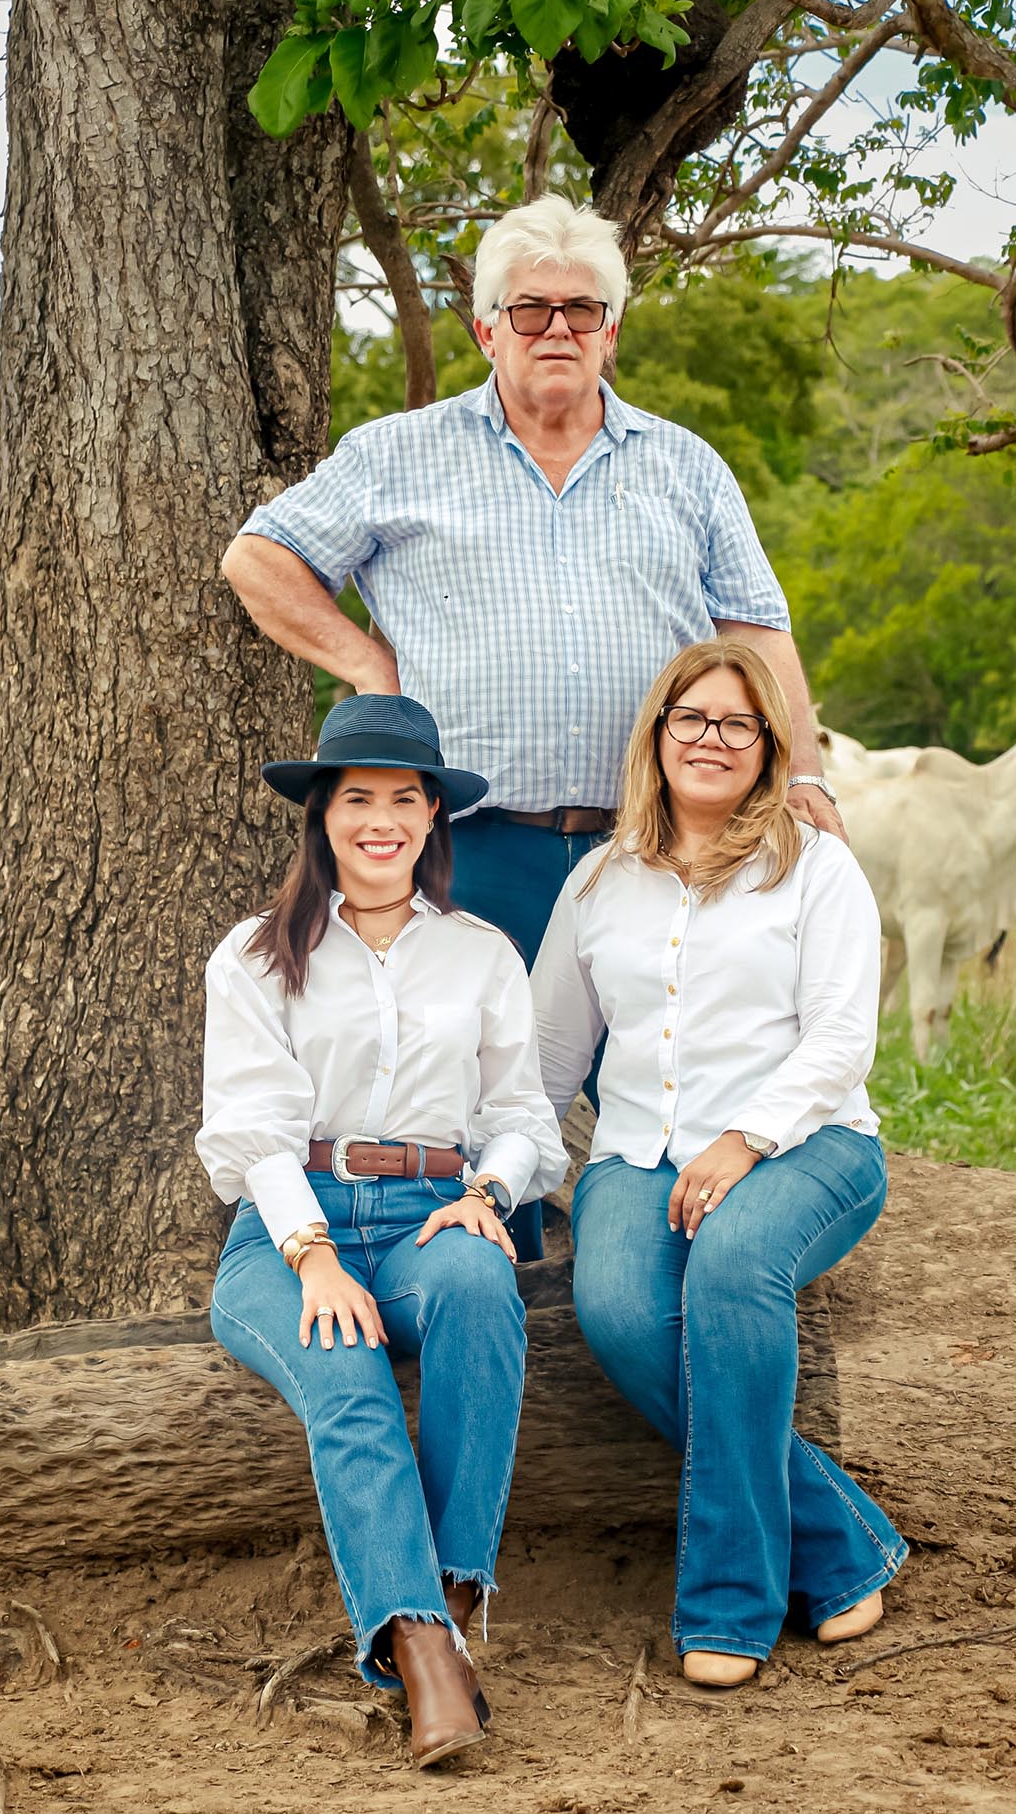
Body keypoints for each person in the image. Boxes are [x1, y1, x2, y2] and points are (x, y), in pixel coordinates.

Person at [221, 194, 841, 1259]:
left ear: (613, 330)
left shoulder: (686, 467)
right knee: (473, 1087)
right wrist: (372, 666)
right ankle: (471, 1287)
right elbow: (257, 558)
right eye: (530, 309)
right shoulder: (397, 454)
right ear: (484, 328)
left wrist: (804, 778)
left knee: (672, 1082)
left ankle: (704, 1274)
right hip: (475, 843)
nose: (557, 329)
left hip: (654, 847)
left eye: (580, 309)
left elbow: (757, 631)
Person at [196, 693, 568, 1766]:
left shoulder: (481, 954)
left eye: (405, 799)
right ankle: (423, 1650)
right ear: (320, 818)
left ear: (431, 819)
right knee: (346, 1368)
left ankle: (445, 1594)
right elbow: (250, 1129)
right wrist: (312, 1259)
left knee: (476, 1288)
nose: (381, 820)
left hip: (428, 1210)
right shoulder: (257, 957)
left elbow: (519, 1120)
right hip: (284, 1228)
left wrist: (490, 1195)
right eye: (357, 798)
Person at [530, 638, 907, 1686]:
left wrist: (747, 1138)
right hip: (638, 1156)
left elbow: (841, 1039)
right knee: (614, 1310)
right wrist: (487, 1173)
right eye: (690, 719)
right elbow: (549, 1058)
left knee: (733, 1267)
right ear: (657, 736)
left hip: (809, 1146)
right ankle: (839, 1545)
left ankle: (728, 1605)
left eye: (737, 725)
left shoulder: (816, 868)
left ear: (768, 748)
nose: (710, 739)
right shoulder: (599, 882)